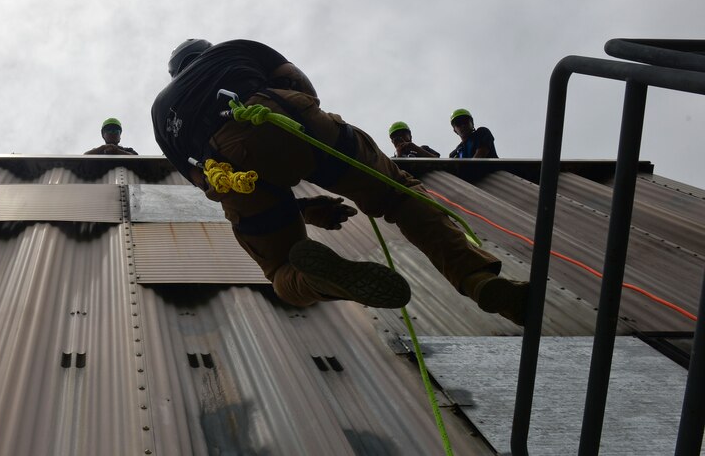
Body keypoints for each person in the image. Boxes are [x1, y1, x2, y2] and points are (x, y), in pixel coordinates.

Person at [151, 38, 527, 324]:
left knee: (281, 269)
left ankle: (323, 282)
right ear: (206, 50)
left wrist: (296, 210)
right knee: (397, 194)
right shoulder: (235, 49)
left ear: (175, 73)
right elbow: (298, 83)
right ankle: (478, 279)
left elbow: (203, 182)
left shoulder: (160, 111)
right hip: (282, 115)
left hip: (226, 168)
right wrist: (313, 129)